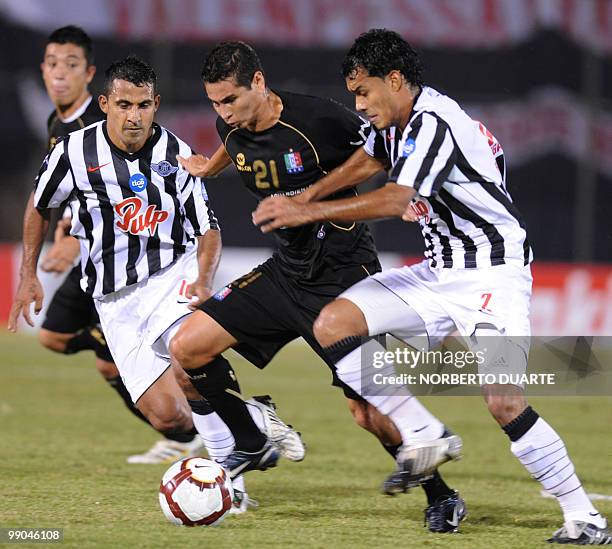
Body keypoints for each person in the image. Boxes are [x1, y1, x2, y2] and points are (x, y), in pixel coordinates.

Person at [253, 29, 612, 544]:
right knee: (334, 323)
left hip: (492, 273)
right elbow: (371, 160)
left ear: (395, 81)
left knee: (504, 401)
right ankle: (424, 432)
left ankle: (585, 517)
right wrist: (309, 192)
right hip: (437, 272)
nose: (358, 104)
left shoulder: (433, 122)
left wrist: (307, 208)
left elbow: (398, 198)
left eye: (364, 92)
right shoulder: (397, 123)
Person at [171, 40, 463, 530]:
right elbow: (233, 143)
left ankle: (442, 494)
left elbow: (384, 148)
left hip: (344, 275)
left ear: (259, 83)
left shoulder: (319, 120)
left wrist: (409, 196)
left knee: (367, 413)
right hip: (287, 271)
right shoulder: (232, 124)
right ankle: (252, 441)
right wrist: (208, 166)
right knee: (188, 348)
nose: (223, 113)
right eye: (215, 103)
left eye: (231, 101)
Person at [8, 55, 302, 512]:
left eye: (143, 105)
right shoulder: (72, 151)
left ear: (155, 104)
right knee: (167, 416)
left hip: (172, 276)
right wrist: (28, 272)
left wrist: (203, 281)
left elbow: (208, 229)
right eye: (124, 104)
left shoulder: (176, 155)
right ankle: (249, 417)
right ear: (105, 103)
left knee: (189, 367)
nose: (134, 116)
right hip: (113, 299)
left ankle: (231, 479)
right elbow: (39, 205)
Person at [35, 25, 204, 464]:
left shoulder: (106, 122)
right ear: (43, 69)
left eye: (71, 65)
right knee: (70, 346)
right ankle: (184, 432)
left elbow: (119, 190)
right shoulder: (61, 126)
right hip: (104, 270)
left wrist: (73, 238)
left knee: (73, 345)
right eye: (53, 64)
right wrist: (64, 226)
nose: (60, 74)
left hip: (138, 261)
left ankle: (219, 433)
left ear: (89, 76)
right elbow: (66, 189)